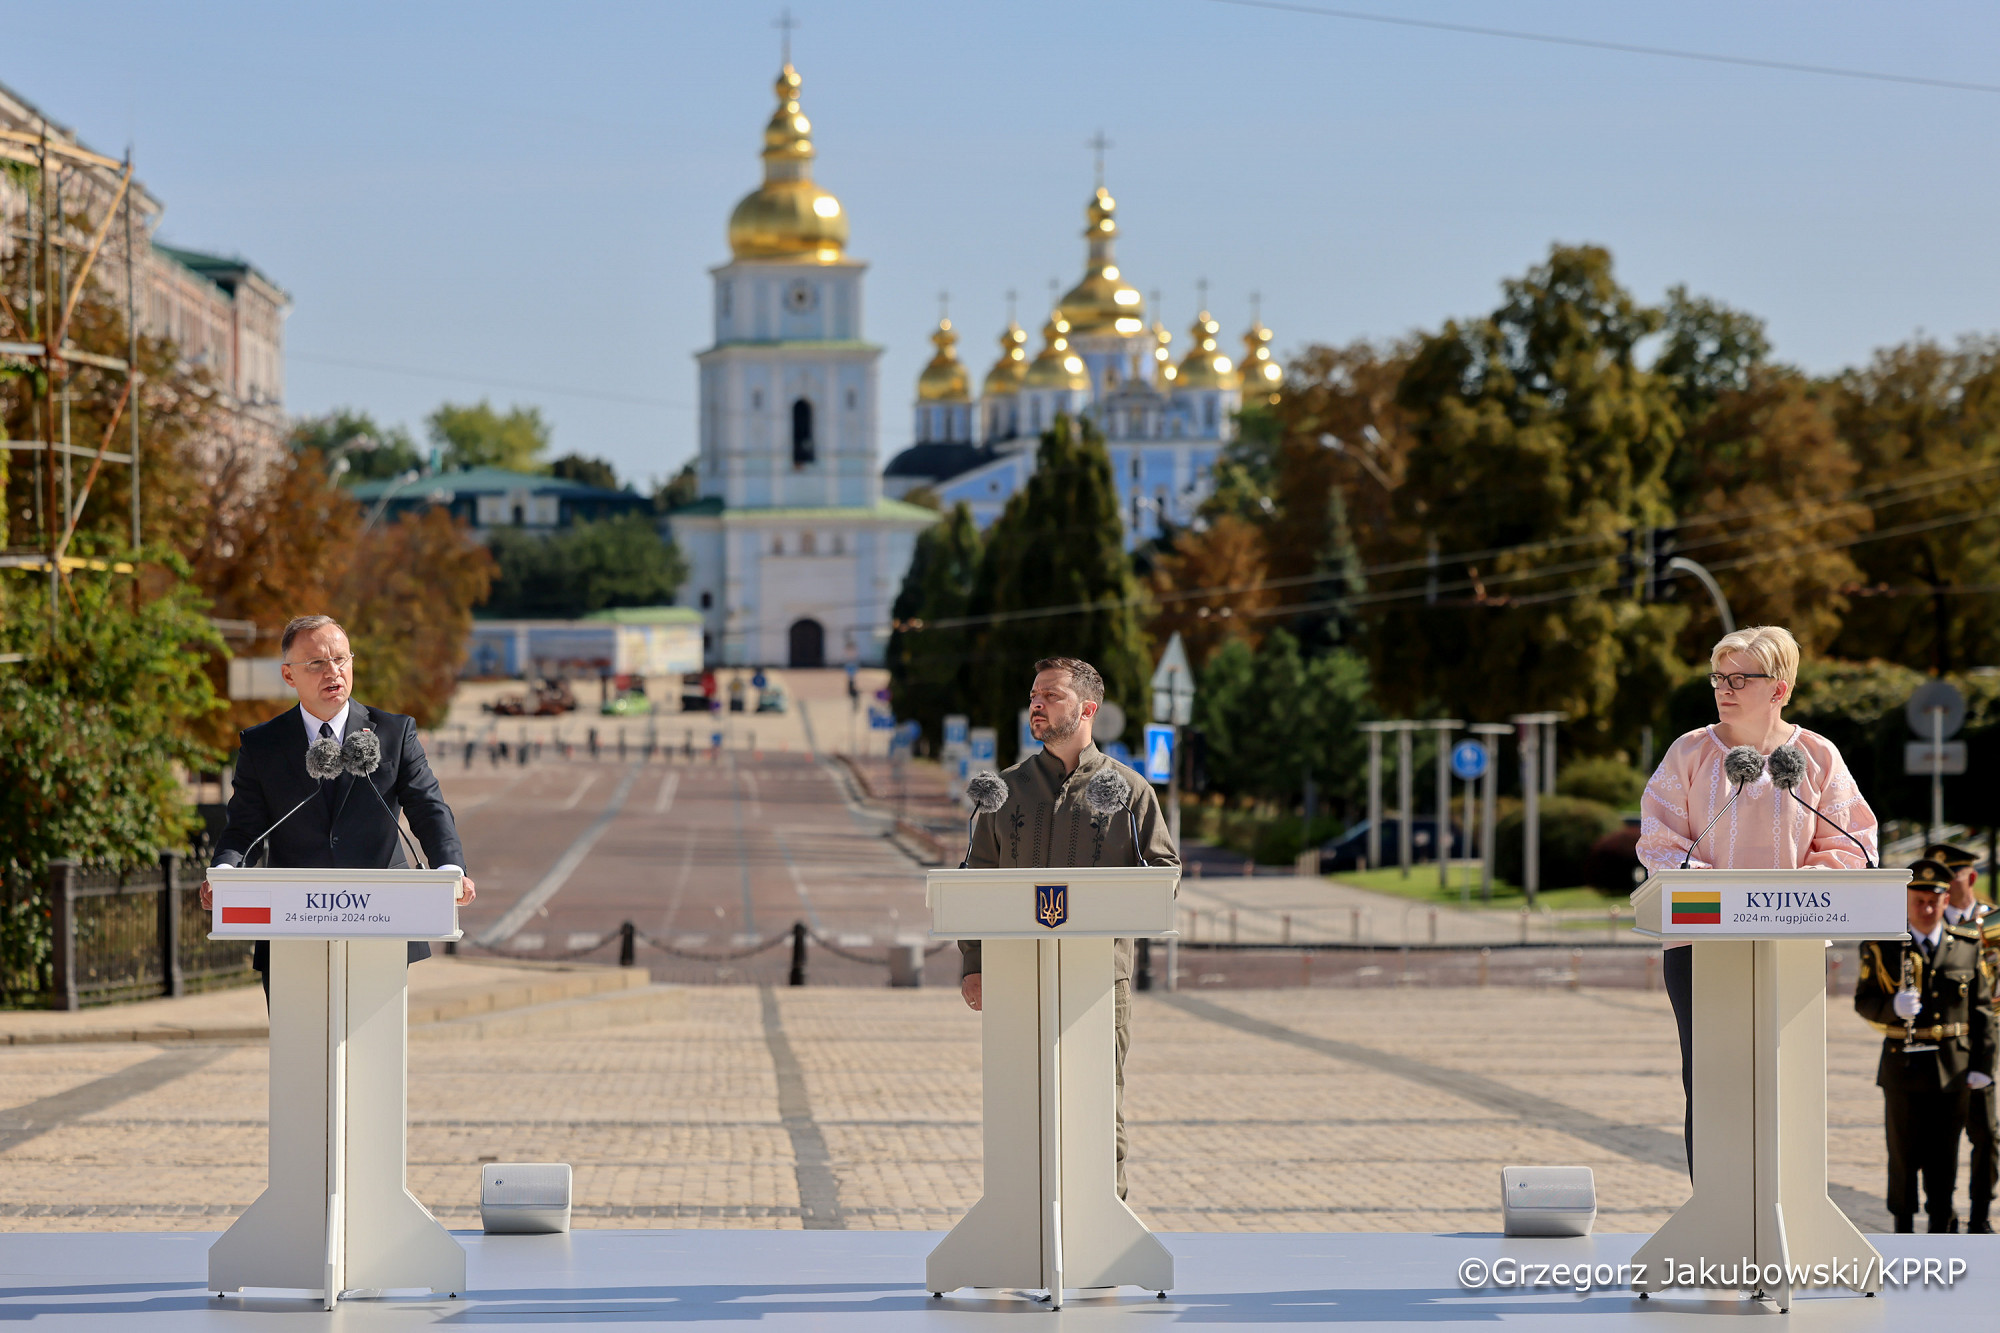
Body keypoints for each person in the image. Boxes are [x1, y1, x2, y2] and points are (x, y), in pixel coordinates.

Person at [1636, 625, 1877, 1175]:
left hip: (1790, 948)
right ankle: (1715, 1209)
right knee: (1713, 1083)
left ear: (1780, 689)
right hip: (1701, 946)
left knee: (1786, 1079)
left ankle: (1785, 1201)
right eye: (1720, 676)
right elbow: (1659, 841)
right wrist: (1722, 895)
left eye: (1741, 677)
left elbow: (1852, 844)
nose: (1725, 687)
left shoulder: (1817, 754)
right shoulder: (1690, 752)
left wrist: (1786, 897)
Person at [958, 657, 1178, 1200]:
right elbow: (974, 882)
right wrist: (974, 964)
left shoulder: (1129, 792)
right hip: (1017, 979)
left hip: (1099, 983)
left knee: (1099, 1109)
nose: (1037, 704)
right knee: (1019, 1110)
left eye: (1051, 695)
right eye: (1034, 695)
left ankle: (1106, 1226)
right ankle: (1022, 1229)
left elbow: (1165, 875)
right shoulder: (1003, 792)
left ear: (1087, 709)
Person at [198, 616, 475, 1000]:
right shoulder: (262, 745)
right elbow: (244, 828)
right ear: (288, 675)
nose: (333, 672)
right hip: (291, 926)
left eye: (341, 660)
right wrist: (225, 873)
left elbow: (429, 807)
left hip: (381, 922)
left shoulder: (394, 732)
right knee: (299, 1052)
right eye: (316, 663)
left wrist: (450, 869)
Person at [1855, 859, 1995, 1233]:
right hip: (1902, 1069)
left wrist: (1984, 1065)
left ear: (1945, 899)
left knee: (1944, 1157)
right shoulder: (1882, 944)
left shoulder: (1965, 946)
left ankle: (1941, 1229)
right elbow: (1864, 1000)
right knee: (1902, 1157)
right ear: (1906, 898)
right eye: (1918, 900)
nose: (1927, 908)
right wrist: (1891, 1009)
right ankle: (1902, 1229)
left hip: (1953, 1069)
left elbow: (1982, 1012)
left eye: (1934, 900)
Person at [1932, 841, 1996, 1231]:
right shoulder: (1933, 920)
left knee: (1986, 1133)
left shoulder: (1990, 919)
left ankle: (1980, 1215)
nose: (1943, 884)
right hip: (1945, 1038)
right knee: (1943, 1134)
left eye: (1950, 875)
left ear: (1970, 877)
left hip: (1985, 1036)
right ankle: (1944, 1215)